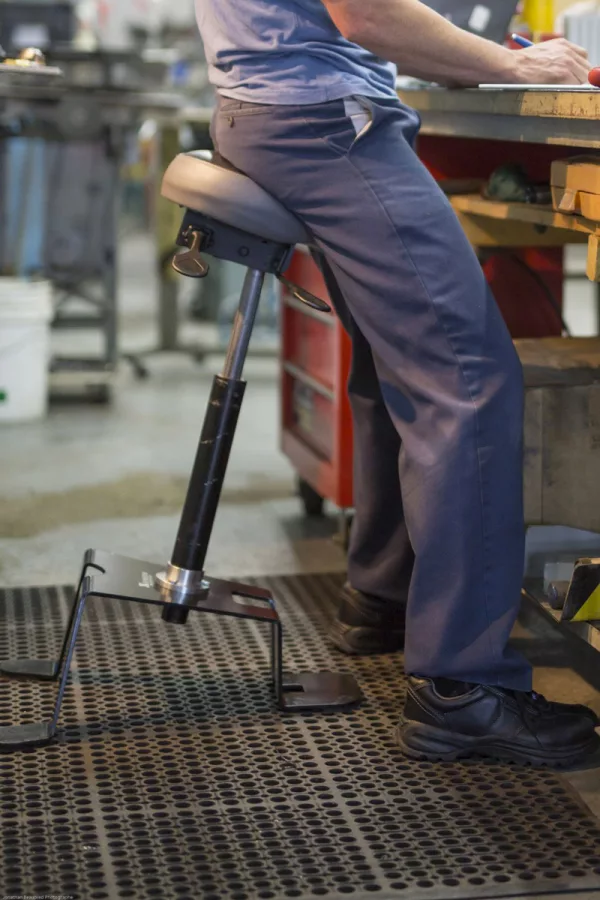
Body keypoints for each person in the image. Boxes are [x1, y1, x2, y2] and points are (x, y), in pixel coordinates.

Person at [195, 0, 599, 765]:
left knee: (401, 358)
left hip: (282, 111)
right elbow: (370, 13)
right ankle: (463, 686)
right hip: (322, 122)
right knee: (469, 382)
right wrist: (513, 63)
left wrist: (478, 47)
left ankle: (384, 595)